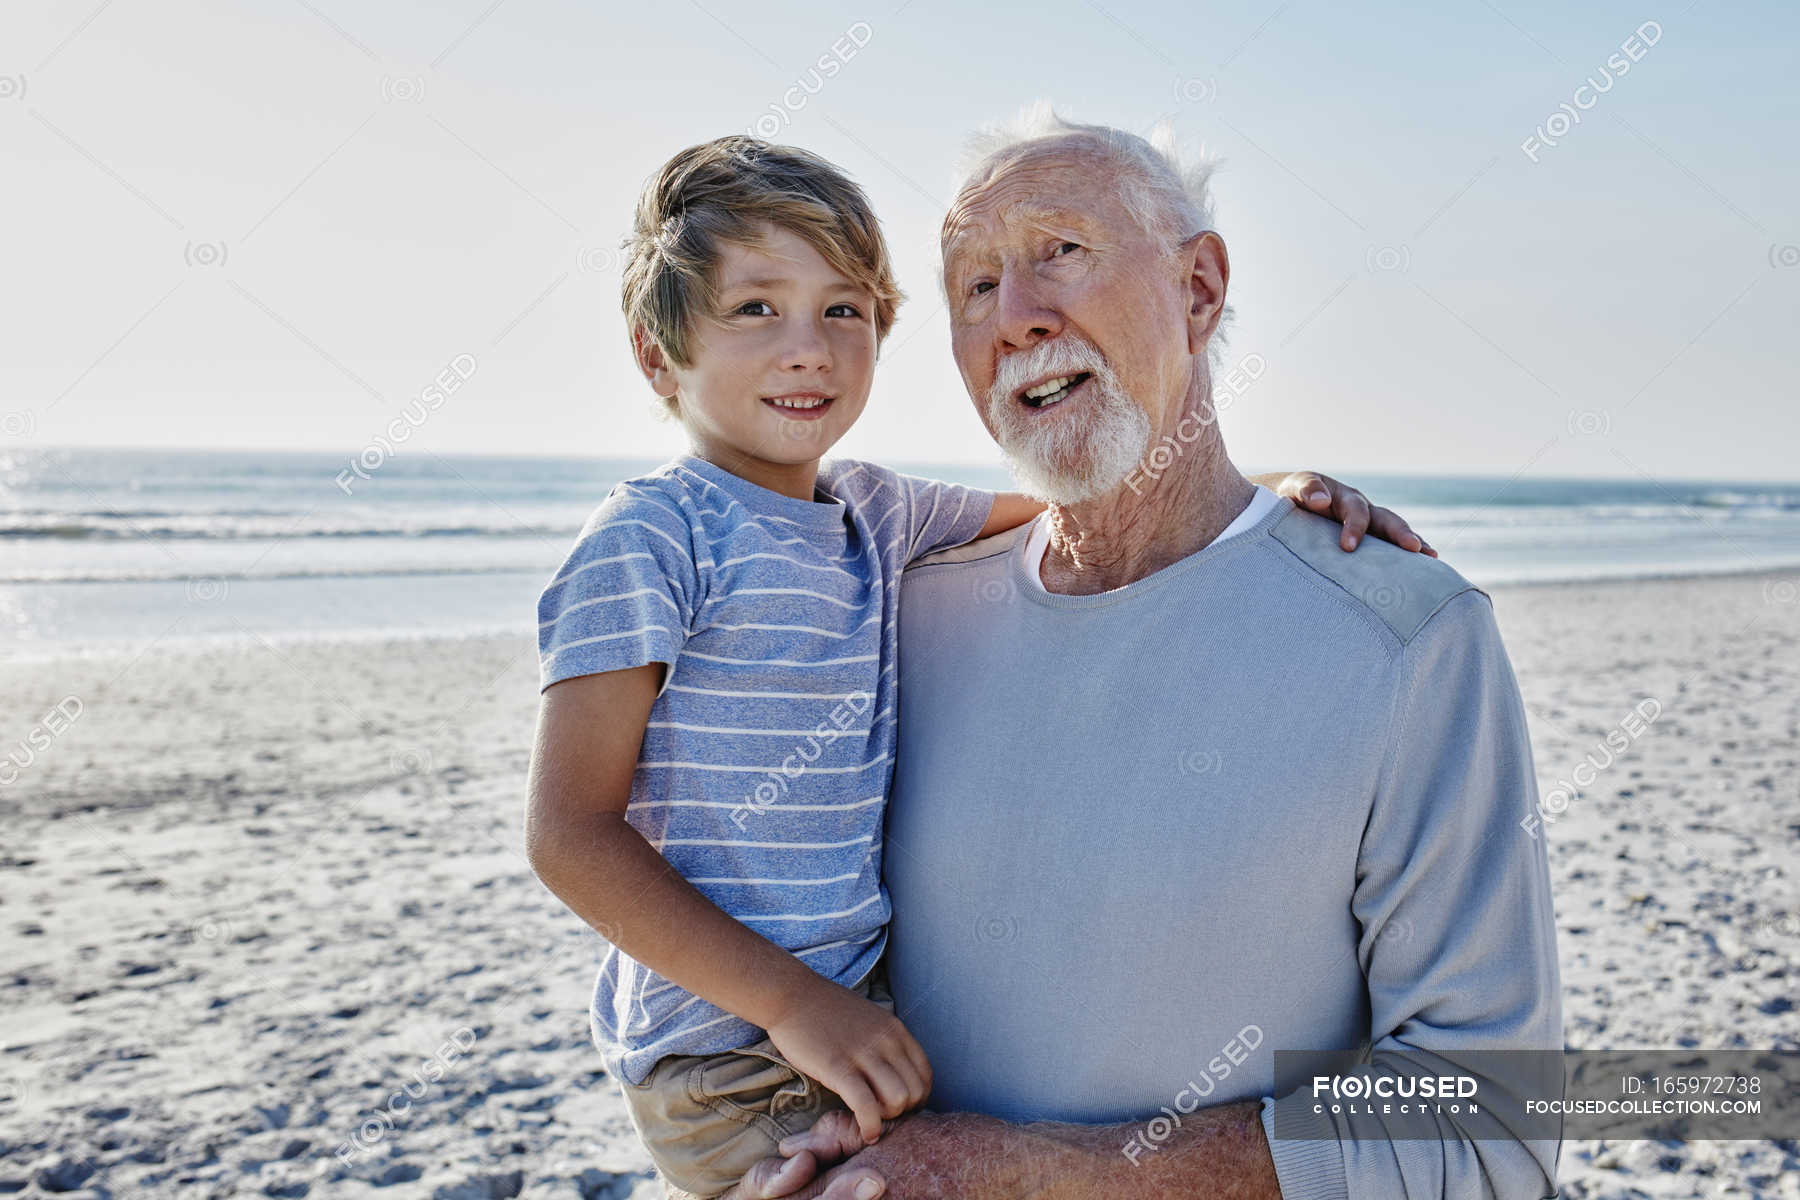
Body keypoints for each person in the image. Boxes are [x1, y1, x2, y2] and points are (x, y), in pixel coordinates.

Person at [523, 135, 1428, 1200]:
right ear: (654, 352)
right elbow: (567, 834)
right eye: (756, 309)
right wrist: (789, 1003)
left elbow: (1079, 491)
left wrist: (1275, 489)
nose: (808, 348)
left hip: (856, 1006)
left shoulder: (872, 508)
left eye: (845, 311)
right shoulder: (650, 539)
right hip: (732, 1053)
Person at [723, 112, 1563, 1200]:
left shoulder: (1406, 636)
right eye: (973, 287)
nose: (1015, 318)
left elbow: (1490, 1115)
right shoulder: (890, 619)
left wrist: (1019, 1174)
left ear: (1200, 290)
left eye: (1060, 250)